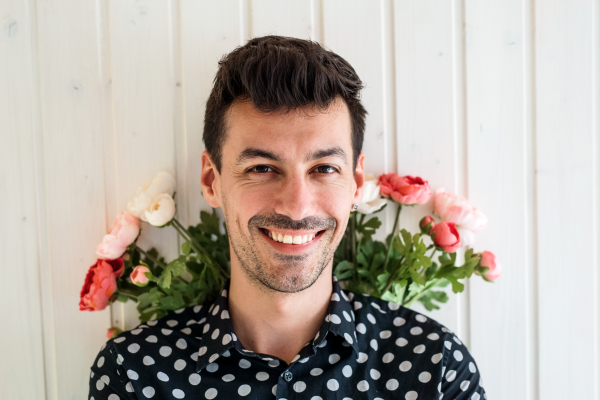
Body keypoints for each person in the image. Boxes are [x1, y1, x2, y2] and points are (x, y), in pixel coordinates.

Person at [89, 35, 486, 400]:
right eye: (262, 168)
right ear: (212, 180)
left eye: (324, 169)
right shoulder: (135, 374)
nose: (296, 207)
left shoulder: (433, 368)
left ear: (355, 183)